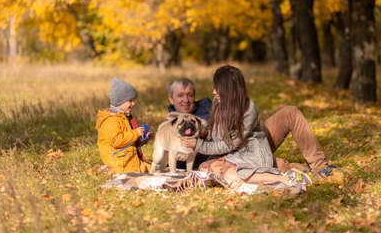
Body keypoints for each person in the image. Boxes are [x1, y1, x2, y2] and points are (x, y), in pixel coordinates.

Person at [181, 65, 342, 189]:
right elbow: (217, 135)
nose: (213, 91)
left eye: (218, 88)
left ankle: (320, 166)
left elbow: (229, 144)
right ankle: (285, 167)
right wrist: (202, 132)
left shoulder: (248, 110)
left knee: (290, 112)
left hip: (249, 149)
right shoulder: (218, 101)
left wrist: (199, 145)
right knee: (205, 168)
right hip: (237, 149)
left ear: (229, 91)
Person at [96, 77, 151, 174]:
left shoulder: (124, 117)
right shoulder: (111, 120)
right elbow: (116, 141)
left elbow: (128, 142)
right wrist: (136, 133)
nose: (133, 104)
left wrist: (143, 139)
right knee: (152, 172)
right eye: (130, 101)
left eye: (134, 100)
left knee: (155, 169)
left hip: (129, 161)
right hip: (120, 164)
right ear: (119, 101)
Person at [167, 78, 212, 169]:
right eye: (180, 95)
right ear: (171, 100)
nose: (186, 100)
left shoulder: (208, 109)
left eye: (190, 95)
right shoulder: (170, 122)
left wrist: (204, 132)